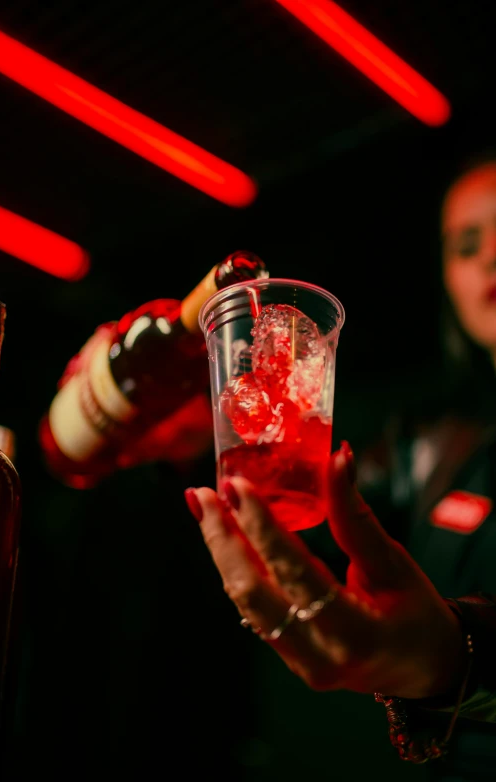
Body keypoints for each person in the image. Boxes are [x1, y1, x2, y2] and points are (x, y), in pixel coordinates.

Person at [183, 154, 496, 781]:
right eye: (467, 245)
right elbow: (297, 490)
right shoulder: (429, 446)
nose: (490, 258)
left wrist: (458, 656)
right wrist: (187, 443)